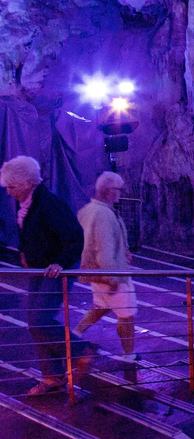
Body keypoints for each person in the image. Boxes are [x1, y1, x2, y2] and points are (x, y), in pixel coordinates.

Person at [0, 156, 94, 396]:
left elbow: (74, 236)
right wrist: (25, 253)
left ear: (28, 182)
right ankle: (52, 376)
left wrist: (59, 262)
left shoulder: (49, 203)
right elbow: (30, 233)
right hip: (38, 269)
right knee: (34, 322)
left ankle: (81, 349)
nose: (9, 192)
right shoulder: (27, 202)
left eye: (12, 186)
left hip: (54, 270)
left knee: (39, 320)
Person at [73, 172, 139, 362]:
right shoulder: (104, 215)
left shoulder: (87, 210)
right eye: (118, 189)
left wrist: (124, 249)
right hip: (112, 272)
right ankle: (129, 355)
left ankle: (76, 333)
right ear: (109, 191)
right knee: (126, 315)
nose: (120, 192)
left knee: (101, 305)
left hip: (96, 272)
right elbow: (104, 247)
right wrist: (112, 277)